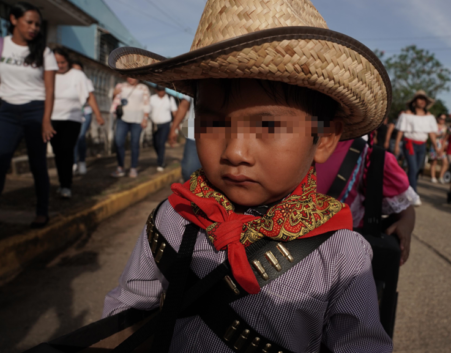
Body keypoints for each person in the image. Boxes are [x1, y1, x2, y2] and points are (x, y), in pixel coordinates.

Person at [104, 0, 394, 351]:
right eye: (213, 122)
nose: (234, 152)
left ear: (325, 138)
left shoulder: (341, 255)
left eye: (268, 126)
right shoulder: (174, 217)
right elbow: (127, 314)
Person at [316, 133, 416, 266]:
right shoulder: (289, 145)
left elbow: (405, 208)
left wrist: (406, 223)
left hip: (343, 260)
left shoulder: (367, 156)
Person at [0, 2, 57, 227]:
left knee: (38, 164)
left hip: (35, 110)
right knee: (1, 161)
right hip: (6, 111)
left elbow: (50, 89)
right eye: (29, 22)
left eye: (37, 24)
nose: (34, 27)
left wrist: (46, 120)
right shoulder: (2, 46)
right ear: (14, 19)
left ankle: (42, 212)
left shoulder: (44, 52)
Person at [50, 48, 96, 198]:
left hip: (72, 118)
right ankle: (62, 182)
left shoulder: (77, 75)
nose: (60, 65)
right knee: (57, 152)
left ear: (68, 61)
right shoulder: (48, 74)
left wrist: (98, 115)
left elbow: (89, 95)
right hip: (52, 118)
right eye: (56, 62)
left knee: (67, 150)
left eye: (63, 62)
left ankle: (66, 185)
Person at [394, 90, 439, 203]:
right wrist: (396, 145)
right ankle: (414, 195)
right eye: (419, 98)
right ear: (414, 101)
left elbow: (432, 134)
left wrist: (436, 147)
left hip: (422, 145)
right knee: (413, 168)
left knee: (417, 169)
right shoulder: (406, 115)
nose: (422, 101)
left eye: (424, 99)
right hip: (410, 144)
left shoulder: (429, 117)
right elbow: (401, 131)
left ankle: (406, 191)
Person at [111, 77, 150, 178]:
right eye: (128, 76)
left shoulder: (143, 88)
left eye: (132, 76)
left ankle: (133, 168)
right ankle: (120, 167)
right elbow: (115, 101)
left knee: (134, 144)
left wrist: (145, 118)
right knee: (118, 141)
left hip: (137, 120)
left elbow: (146, 104)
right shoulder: (121, 86)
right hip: (122, 118)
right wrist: (114, 93)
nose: (130, 78)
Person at [72, 61, 104, 175]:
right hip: (70, 114)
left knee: (80, 137)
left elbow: (91, 97)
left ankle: (81, 162)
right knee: (72, 138)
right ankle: (73, 163)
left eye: (79, 70)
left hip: (85, 113)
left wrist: (98, 115)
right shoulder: (65, 80)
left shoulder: (87, 82)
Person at [168, 95, 201, 181]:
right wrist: (173, 129)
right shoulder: (193, 82)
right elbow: (184, 105)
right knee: (189, 172)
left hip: (220, 137)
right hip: (194, 135)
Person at [149, 86, 177, 171]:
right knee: (155, 143)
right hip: (154, 124)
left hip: (165, 124)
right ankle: (160, 157)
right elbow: (147, 110)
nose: (162, 92)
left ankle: (160, 163)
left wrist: (176, 125)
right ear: (156, 90)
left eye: (163, 90)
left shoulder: (169, 98)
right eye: (160, 90)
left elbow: (174, 111)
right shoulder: (152, 99)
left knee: (161, 143)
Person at [429, 113, 449, 183]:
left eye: (444, 119)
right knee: (434, 162)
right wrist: (440, 135)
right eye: (441, 118)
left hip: (442, 146)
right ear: (438, 118)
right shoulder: (434, 126)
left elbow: (446, 138)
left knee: (445, 162)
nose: (442, 120)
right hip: (434, 145)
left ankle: (441, 177)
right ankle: (433, 177)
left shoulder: (446, 127)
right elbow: (432, 136)